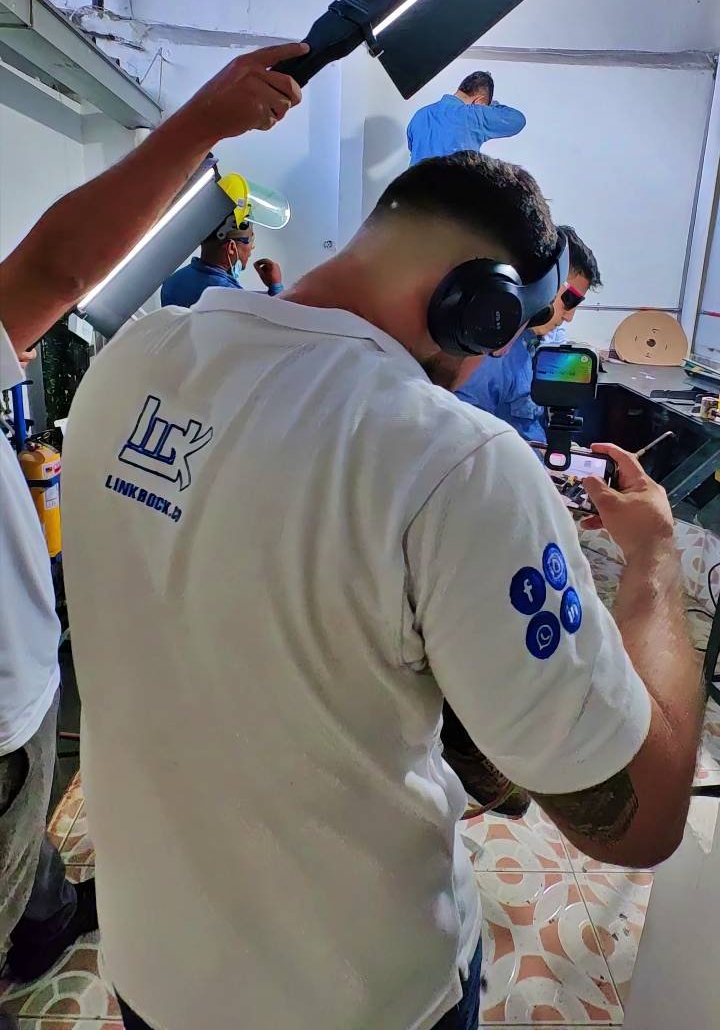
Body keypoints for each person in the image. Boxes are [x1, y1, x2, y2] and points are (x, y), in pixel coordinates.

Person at [61, 151, 701, 1030]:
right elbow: (639, 820)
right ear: (480, 307)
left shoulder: (132, 355)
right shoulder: (456, 461)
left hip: (150, 969)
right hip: (361, 997)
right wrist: (655, 563)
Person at [0, 41, 305, 1024]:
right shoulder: (226, 300)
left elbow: (50, 272)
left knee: (26, 848)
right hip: (11, 705)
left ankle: (42, 917)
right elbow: (52, 271)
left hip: (30, 685)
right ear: (229, 243)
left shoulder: (174, 298)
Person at [456, 224, 602, 443]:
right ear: (544, 282)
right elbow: (468, 440)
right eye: (569, 300)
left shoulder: (541, 341)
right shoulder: (491, 357)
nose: (569, 316)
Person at [160, 216, 283, 308]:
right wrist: (276, 286)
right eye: (251, 239)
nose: (253, 246)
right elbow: (279, 322)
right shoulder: (230, 297)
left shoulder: (172, 281)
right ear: (231, 248)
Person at [407, 70, 525, 165]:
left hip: (413, 185)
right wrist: (491, 105)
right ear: (479, 101)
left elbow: (414, 150)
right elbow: (517, 120)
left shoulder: (420, 114)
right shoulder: (474, 115)